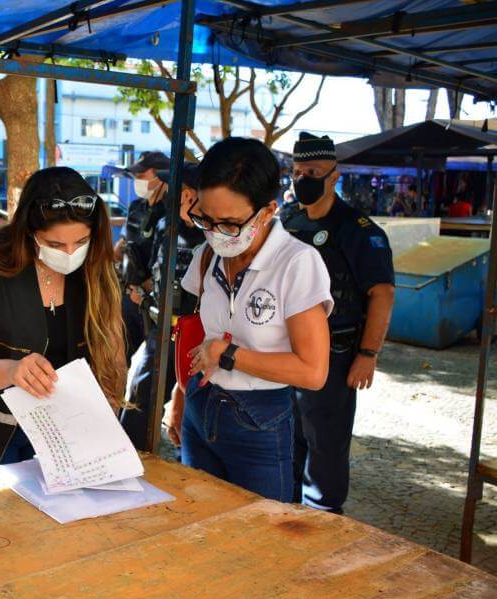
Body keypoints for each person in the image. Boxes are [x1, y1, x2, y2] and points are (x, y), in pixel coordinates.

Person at [0, 166, 127, 489]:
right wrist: (12, 371)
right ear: (27, 231)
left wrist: (107, 413)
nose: (69, 254)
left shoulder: (93, 266)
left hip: (63, 433)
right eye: (54, 244)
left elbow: (113, 349)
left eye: (80, 241)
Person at [173, 137, 333, 502]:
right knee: (196, 527)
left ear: (266, 211)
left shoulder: (296, 263)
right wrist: (181, 396)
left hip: (259, 424)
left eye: (229, 223)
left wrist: (228, 355)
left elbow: (313, 371)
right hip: (202, 406)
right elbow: (196, 333)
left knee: (260, 540)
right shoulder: (206, 256)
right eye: (206, 219)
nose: (215, 233)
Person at [283, 132, 395, 514]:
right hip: (285, 353)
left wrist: (368, 354)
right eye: (297, 171)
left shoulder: (357, 230)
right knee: (287, 438)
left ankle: (323, 522)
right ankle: (285, 514)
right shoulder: (288, 221)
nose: (303, 179)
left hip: (336, 354)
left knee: (325, 447)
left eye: (312, 171)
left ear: (334, 175)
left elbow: (382, 294)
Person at [120, 162, 204, 450]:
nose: (173, 195)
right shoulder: (165, 226)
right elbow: (153, 268)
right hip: (161, 331)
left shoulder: (216, 236)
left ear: (190, 195)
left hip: (198, 340)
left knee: (192, 411)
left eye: (178, 190)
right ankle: (132, 457)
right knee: (140, 397)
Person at [118, 151, 169, 360]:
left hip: (153, 300)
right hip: (129, 296)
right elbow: (124, 243)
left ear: (161, 177)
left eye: (141, 175)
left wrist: (144, 289)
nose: (136, 181)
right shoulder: (136, 206)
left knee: (151, 367)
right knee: (117, 356)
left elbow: (165, 262)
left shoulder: (170, 213)